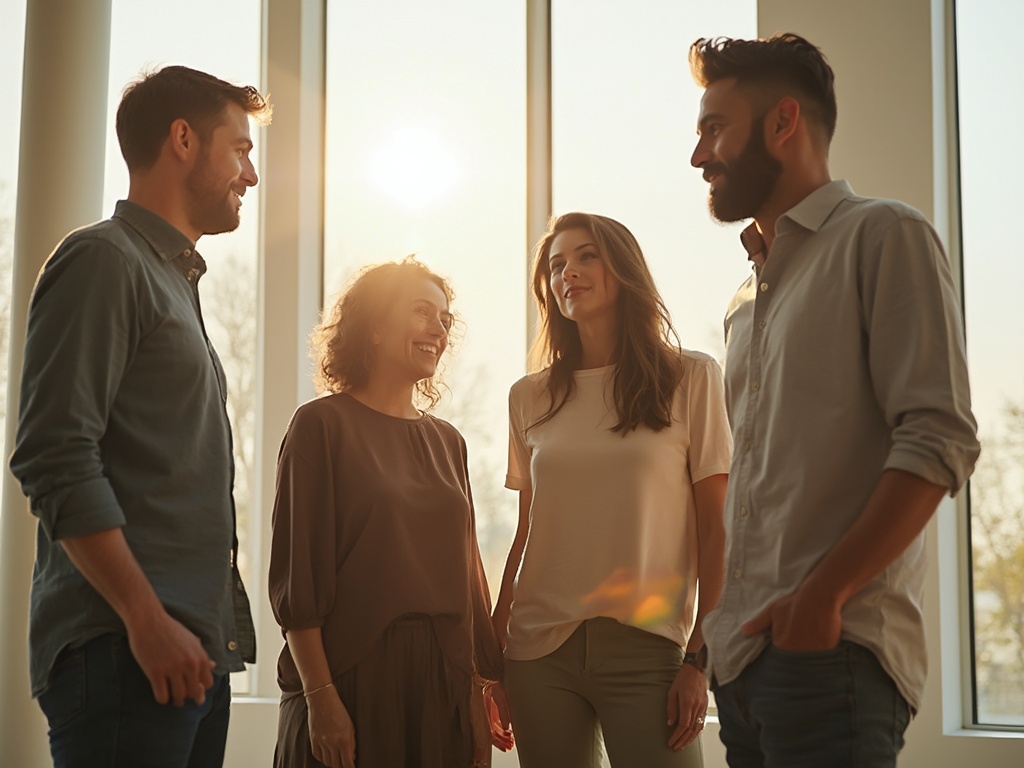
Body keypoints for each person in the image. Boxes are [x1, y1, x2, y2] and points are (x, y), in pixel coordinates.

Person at [687, 34, 980, 767]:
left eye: (714, 127)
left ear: (784, 122)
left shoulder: (885, 235)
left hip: (832, 656)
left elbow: (938, 439)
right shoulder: (743, 300)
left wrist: (822, 599)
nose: (698, 156)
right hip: (748, 662)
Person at [9, 66, 272, 767]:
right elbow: (54, 456)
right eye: (241, 150)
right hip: (128, 652)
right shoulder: (103, 260)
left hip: (188, 655)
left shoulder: (172, 281)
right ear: (183, 140)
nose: (251, 175)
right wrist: (145, 619)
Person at [489, 212, 731, 768]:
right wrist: (491, 655)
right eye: (556, 265)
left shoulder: (692, 378)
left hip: (649, 645)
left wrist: (701, 656)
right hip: (537, 652)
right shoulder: (529, 397)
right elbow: (527, 531)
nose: (567, 271)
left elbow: (717, 527)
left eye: (585, 256)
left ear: (623, 269)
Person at [268, 258, 504, 768]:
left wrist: (473, 690)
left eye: (444, 318)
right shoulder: (319, 427)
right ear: (374, 328)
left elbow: (468, 581)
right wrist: (321, 698)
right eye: (422, 312)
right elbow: (297, 581)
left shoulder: (449, 442)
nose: (438, 329)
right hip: (350, 679)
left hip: (440, 689)